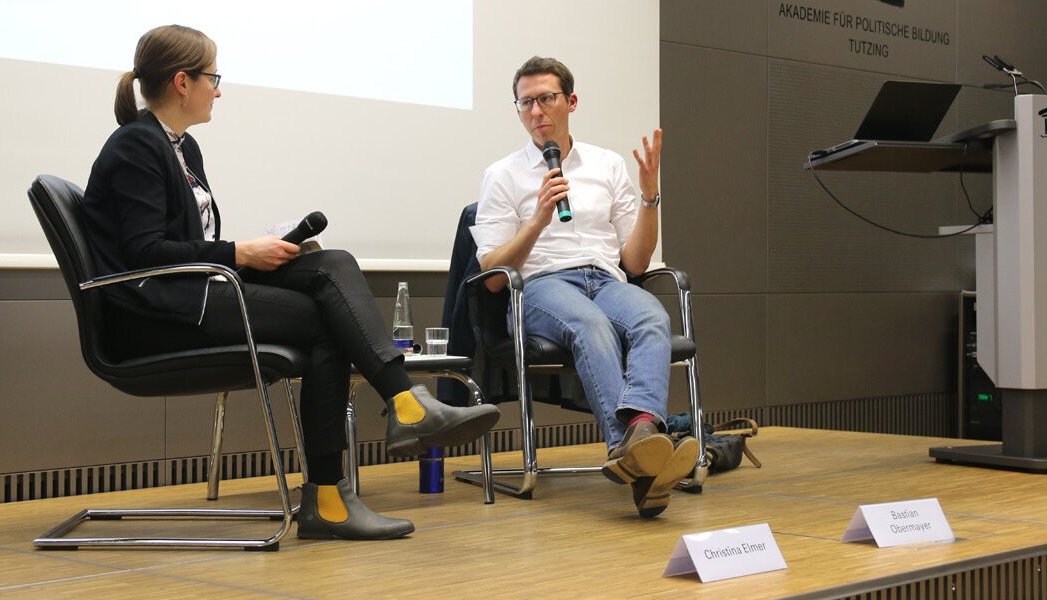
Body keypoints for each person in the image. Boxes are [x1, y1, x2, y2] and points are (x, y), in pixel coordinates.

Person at [82, 25, 500, 540]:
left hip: (194, 294)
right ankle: (356, 465)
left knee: (331, 263)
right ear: (182, 82)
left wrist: (254, 253)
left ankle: (384, 435)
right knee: (331, 320)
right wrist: (239, 253)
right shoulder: (135, 147)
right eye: (214, 77)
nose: (220, 88)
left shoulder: (182, 149)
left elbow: (179, 245)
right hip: (157, 316)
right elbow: (144, 254)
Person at [471, 56, 698, 518]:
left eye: (546, 99)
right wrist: (537, 220)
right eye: (526, 103)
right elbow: (493, 275)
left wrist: (650, 197)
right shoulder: (503, 175)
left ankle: (638, 441)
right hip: (539, 286)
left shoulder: (607, 164)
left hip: (606, 278)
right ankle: (631, 447)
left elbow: (635, 262)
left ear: (570, 102)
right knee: (591, 325)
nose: (536, 111)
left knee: (653, 316)